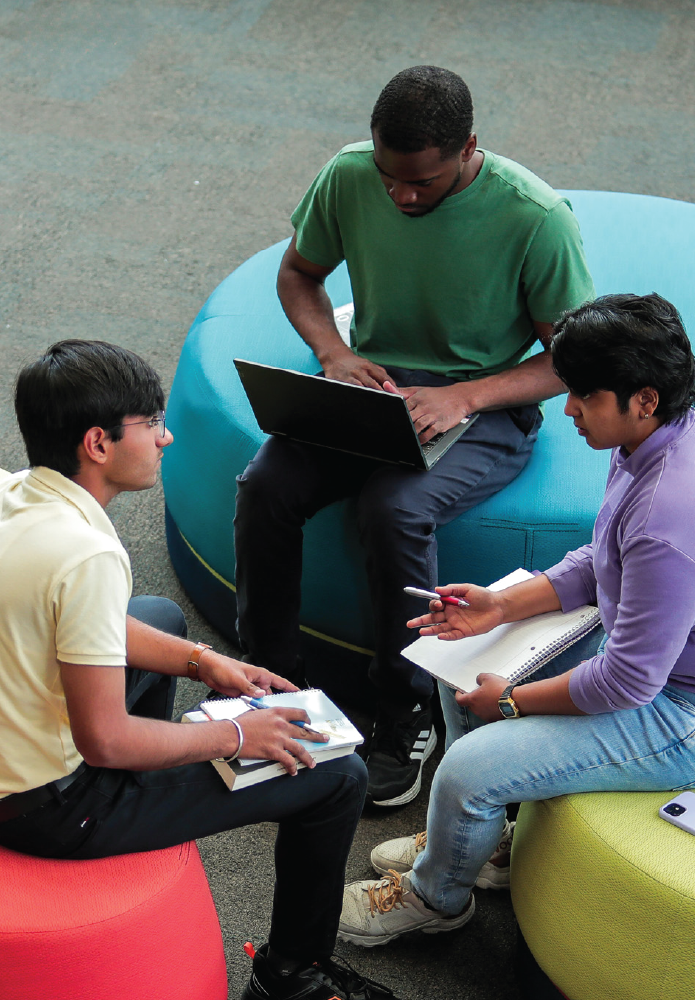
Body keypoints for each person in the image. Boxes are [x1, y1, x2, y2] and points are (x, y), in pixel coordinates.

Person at [0, 340, 400, 1000]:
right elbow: (104, 741)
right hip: (36, 807)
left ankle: (142, 789)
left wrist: (207, 662)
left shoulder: (12, 499)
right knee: (339, 775)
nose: (167, 437)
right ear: (98, 443)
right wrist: (237, 738)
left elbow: (95, 625)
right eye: (152, 424)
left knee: (161, 619)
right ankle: (294, 974)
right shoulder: (87, 554)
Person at [335, 294, 695, 945]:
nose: (568, 409)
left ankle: (434, 897)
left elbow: (628, 684)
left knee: (469, 766)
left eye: (584, 395)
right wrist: (501, 607)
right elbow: (605, 556)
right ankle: (483, 840)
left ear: (642, 397)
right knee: (463, 657)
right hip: (668, 666)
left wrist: (511, 705)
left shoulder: (675, 507)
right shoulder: (663, 434)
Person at [234, 65, 596, 807]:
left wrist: (467, 393)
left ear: (469, 149)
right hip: (370, 385)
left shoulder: (536, 216)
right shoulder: (348, 173)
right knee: (264, 485)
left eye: (422, 183)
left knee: (394, 507)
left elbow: (574, 357)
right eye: (389, 177)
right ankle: (267, 681)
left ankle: (404, 718)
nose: (401, 196)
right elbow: (299, 275)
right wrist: (333, 354)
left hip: (486, 403)